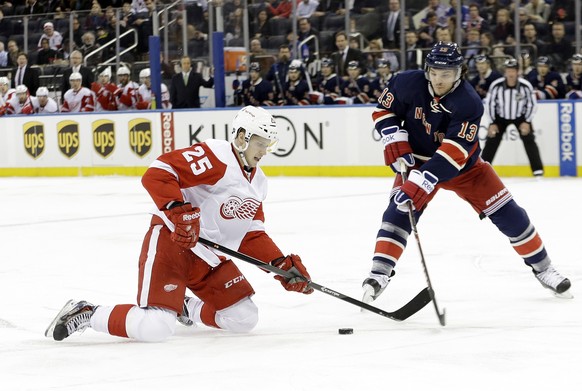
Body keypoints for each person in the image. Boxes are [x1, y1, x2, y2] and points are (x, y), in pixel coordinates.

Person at [45, 105, 314, 343]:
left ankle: (187, 308)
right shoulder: (216, 157)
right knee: (155, 328)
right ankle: (88, 312)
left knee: (244, 318)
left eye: (268, 144)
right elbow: (158, 172)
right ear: (243, 137)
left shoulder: (258, 183)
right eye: (261, 143)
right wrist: (177, 209)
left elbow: (251, 234)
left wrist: (281, 265)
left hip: (208, 257)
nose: (265, 151)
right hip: (172, 244)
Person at [360, 42, 572, 307]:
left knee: (510, 214)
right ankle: (378, 274)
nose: (439, 79)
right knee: (398, 211)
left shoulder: (468, 102)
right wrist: (394, 137)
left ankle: (544, 269)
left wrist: (421, 180)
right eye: (435, 72)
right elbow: (383, 110)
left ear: (459, 72)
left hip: (465, 168)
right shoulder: (405, 82)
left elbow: (452, 154)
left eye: (446, 74)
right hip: (416, 162)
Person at [481, 58, 544, 177]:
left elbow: (531, 104)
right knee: (491, 141)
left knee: (529, 139)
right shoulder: (496, 85)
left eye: (513, 71)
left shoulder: (525, 86)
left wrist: (527, 121)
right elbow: (489, 104)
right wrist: (492, 122)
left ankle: (538, 170)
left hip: (520, 117)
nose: (510, 73)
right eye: (508, 70)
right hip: (500, 118)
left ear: (517, 72)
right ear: (505, 71)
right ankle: (482, 170)